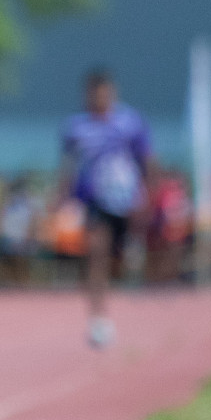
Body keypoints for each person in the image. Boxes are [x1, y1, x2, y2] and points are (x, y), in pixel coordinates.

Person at [60, 68, 150, 349]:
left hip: (127, 201)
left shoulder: (130, 123)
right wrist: (64, 199)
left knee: (119, 261)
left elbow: (147, 160)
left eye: (104, 93)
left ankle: (125, 277)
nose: (100, 98)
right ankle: (97, 318)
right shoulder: (76, 127)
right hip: (95, 200)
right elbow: (68, 167)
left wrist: (148, 197)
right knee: (96, 253)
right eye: (94, 94)